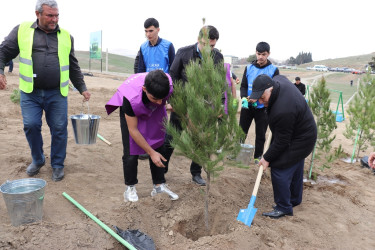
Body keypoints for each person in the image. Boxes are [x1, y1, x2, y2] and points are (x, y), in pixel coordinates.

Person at [0, 0, 91, 181]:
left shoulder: (66, 36)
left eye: (57, 15)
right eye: (50, 15)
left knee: (59, 128)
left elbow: (73, 65)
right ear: (38, 14)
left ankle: (57, 164)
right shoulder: (22, 30)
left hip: (57, 93)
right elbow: (3, 52)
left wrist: (82, 88)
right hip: (30, 92)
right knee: (31, 126)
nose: (54, 19)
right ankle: (38, 159)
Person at [249, 74, 317, 219]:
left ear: (271, 89)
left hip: (301, 138)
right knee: (296, 163)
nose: (261, 101)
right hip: (302, 130)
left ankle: (284, 207)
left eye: (262, 97)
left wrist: (267, 158)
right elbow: (282, 76)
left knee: (279, 166)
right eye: (258, 98)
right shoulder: (278, 81)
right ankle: (294, 199)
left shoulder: (283, 110)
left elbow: (281, 142)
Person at [105, 70, 178, 202]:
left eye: (162, 98)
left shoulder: (166, 84)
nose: (159, 102)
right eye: (155, 98)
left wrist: (169, 105)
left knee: (159, 141)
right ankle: (130, 187)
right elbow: (133, 130)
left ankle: (159, 185)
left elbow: (163, 101)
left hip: (153, 110)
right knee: (131, 151)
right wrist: (150, 152)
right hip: (132, 108)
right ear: (144, 89)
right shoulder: (130, 97)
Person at [165, 25, 224, 186]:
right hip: (182, 105)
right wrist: (174, 102)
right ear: (199, 40)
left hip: (204, 108)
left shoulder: (218, 57)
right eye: (205, 45)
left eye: (212, 46)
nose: (208, 49)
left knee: (201, 141)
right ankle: (161, 170)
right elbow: (173, 77)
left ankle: (196, 173)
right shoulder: (184, 53)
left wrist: (219, 105)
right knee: (172, 137)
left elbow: (219, 84)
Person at [135, 17, 175, 160]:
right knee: (145, 119)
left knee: (160, 120)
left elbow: (173, 69)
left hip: (162, 89)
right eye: (146, 31)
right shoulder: (143, 47)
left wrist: (170, 94)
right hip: (148, 89)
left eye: (151, 31)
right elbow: (140, 70)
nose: (148, 34)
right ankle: (146, 148)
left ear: (158, 29)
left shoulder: (168, 46)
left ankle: (159, 147)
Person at [239, 42, 279, 164]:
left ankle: (257, 156)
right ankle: (236, 151)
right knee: (241, 130)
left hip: (263, 108)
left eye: (263, 54)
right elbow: (244, 86)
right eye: (258, 54)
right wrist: (245, 98)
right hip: (248, 106)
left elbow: (275, 89)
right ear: (255, 53)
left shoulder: (273, 70)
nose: (260, 57)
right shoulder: (249, 68)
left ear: (268, 54)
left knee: (260, 133)